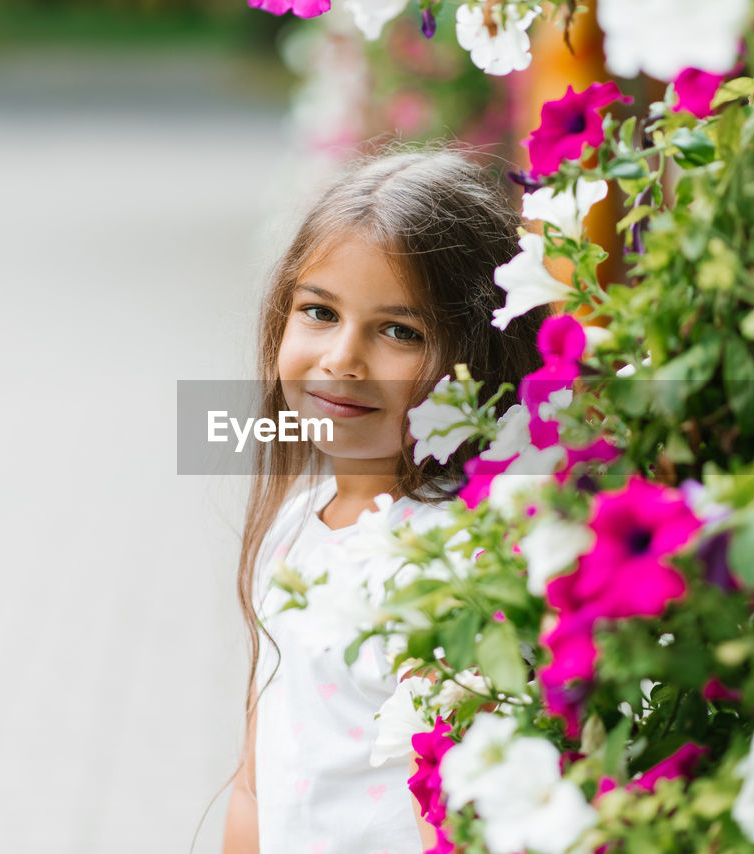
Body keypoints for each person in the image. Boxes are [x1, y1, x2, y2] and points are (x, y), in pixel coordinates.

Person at [222, 146, 551, 854]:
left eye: (400, 331)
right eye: (319, 312)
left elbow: (462, 821)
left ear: (479, 358)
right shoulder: (292, 528)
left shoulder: (451, 564)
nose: (342, 357)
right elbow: (255, 784)